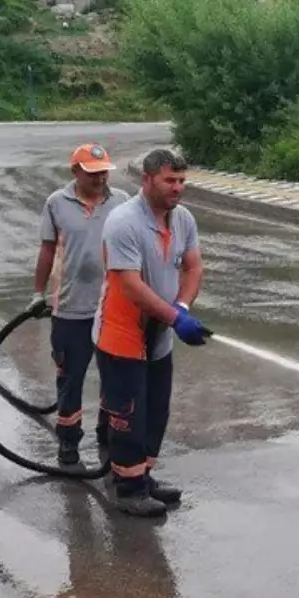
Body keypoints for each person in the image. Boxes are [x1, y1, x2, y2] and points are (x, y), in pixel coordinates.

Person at [94, 147, 208, 518]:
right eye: (169, 180)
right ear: (147, 180)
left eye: (181, 181)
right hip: (122, 334)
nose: (178, 188)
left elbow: (192, 268)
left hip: (158, 333)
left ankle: (144, 477)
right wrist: (175, 319)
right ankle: (127, 488)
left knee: (156, 408)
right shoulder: (123, 221)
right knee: (128, 412)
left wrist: (183, 308)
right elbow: (130, 285)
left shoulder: (183, 219)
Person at [33, 143, 128, 471]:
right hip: (71, 308)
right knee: (70, 379)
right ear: (75, 172)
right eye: (92, 173)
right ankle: (69, 445)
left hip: (114, 308)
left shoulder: (122, 202)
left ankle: (108, 436)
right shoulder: (57, 204)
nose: (100, 178)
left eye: (103, 172)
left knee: (115, 377)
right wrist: (37, 292)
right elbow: (47, 249)